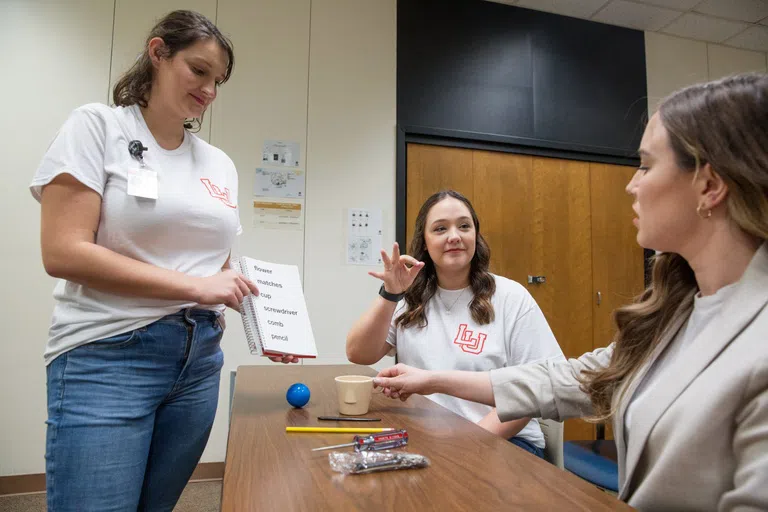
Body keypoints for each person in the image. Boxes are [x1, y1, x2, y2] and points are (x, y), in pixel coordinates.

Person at [373, 73, 768, 510]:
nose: (631, 184)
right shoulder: (680, 309)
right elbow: (572, 377)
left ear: (709, 187)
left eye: (646, 166)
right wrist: (430, 380)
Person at [30, 10, 297, 511]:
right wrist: (196, 288)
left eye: (218, 81)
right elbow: (63, 252)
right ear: (158, 53)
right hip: (108, 353)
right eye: (199, 71)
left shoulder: (218, 163)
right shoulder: (97, 126)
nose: (210, 90)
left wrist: (269, 324)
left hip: (199, 361)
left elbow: (217, 268)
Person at [346, 190, 564, 457]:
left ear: (475, 235)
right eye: (440, 229)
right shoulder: (411, 299)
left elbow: (539, 386)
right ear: (424, 242)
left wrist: (467, 445)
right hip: (428, 441)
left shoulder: (510, 297)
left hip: (503, 442)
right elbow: (359, 354)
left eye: (464, 226)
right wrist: (391, 293)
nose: (454, 236)